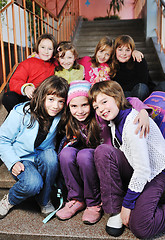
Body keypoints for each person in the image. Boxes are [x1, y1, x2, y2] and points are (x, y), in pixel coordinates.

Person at [89, 80, 165, 239]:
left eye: (104, 102)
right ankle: (114, 211)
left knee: (142, 227)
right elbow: (129, 101)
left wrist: (127, 205)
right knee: (103, 151)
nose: (101, 109)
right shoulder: (115, 120)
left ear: (116, 98)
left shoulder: (133, 123)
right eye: (96, 107)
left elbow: (143, 170)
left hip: (157, 172)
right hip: (139, 167)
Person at [0, 75, 69, 219]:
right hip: (21, 157)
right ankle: (10, 199)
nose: (55, 106)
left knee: (51, 158)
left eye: (60, 101)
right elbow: (2, 139)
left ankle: (44, 200)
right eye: (51, 99)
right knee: (32, 183)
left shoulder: (60, 115)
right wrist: (13, 161)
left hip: (43, 154)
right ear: (42, 96)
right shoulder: (21, 112)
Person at [55, 80, 102, 225]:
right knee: (66, 153)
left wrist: (143, 110)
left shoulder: (100, 117)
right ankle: (76, 199)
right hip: (77, 155)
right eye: (74, 106)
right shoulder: (68, 121)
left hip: (95, 158)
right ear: (69, 107)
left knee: (84, 155)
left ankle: (94, 203)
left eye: (84, 105)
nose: (80, 111)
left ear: (92, 104)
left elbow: (127, 100)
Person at [2, 33, 58, 113]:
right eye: (42, 47)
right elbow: (15, 81)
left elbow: (68, 60)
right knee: (8, 97)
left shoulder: (55, 65)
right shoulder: (27, 63)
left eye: (50, 49)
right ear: (37, 48)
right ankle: (18, 116)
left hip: (41, 99)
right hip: (26, 96)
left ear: (54, 51)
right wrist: (25, 88)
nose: (46, 51)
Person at [111, 35, 165, 101]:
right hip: (124, 94)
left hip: (143, 93)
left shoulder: (138, 59)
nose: (123, 53)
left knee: (142, 88)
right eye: (120, 50)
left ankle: (146, 105)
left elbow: (143, 81)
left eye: (127, 50)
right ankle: (137, 107)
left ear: (132, 51)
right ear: (115, 50)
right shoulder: (112, 64)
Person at [78, 36, 143, 85]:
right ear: (97, 50)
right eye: (101, 51)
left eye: (107, 54)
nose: (103, 56)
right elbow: (72, 60)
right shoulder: (86, 60)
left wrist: (134, 52)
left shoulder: (111, 66)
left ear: (111, 55)